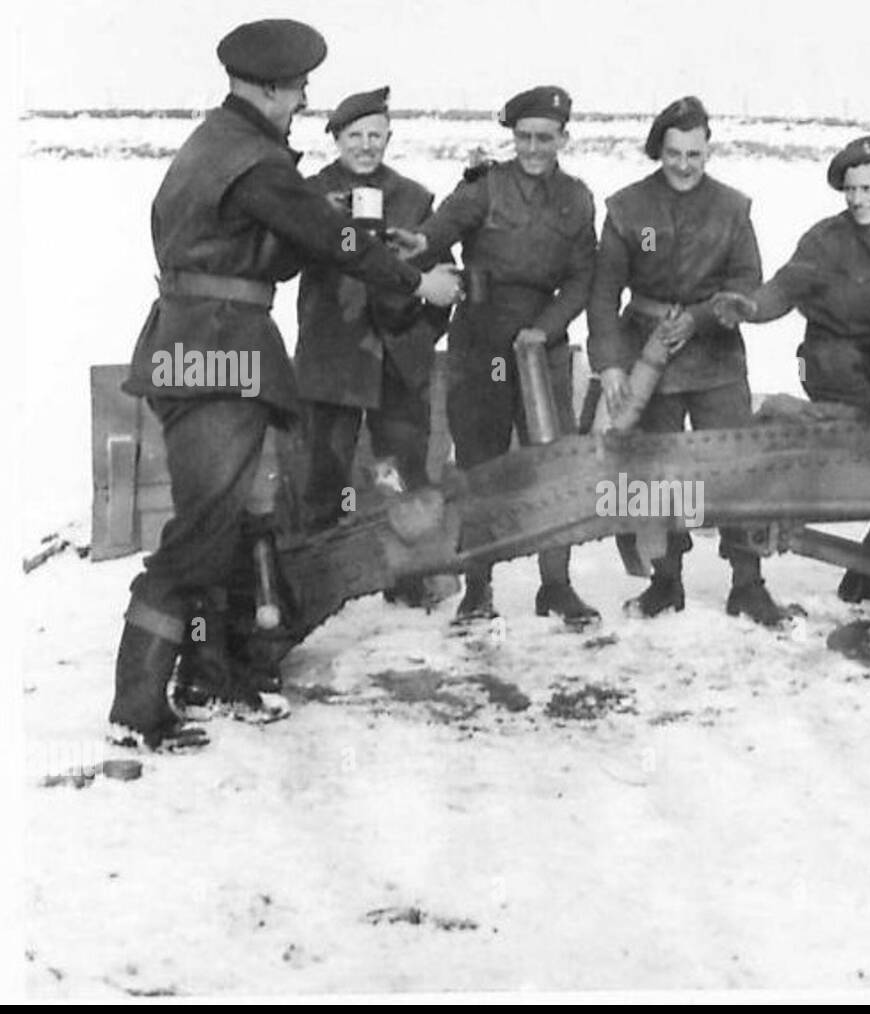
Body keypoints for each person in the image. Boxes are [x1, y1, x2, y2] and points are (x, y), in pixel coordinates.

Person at [109, 19, 462, 750]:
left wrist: (328, 230)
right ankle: (137, 707)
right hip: (218, 348)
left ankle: (210, 672)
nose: (304, 99)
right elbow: (324, 240)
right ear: (269, 87)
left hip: (196, 338)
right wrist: (416, 278)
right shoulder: (256, 161)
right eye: (299, 87)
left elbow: (264, 242)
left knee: (232, 521)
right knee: (200, 533)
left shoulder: (216, 145)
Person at [712, 134, 870, 614]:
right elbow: (785, 287)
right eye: (851, 190)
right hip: (838, 367)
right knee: (868, 442)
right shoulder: (825, 239)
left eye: (869, 189)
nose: (859, 200)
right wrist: (751, 308)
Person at [588, 95, 792, 627]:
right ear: (661, 150)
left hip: (716, 356)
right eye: (674, 153)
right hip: (646, 358)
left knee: (734, 466)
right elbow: (603, 295)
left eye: (695, 154)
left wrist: (704, 317)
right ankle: (665, 581)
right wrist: (611, 363)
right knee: (656, 472)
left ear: (708, 151)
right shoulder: (627, 208)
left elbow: (747, 280)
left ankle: (747, 582)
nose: (684, 165)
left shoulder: (733, 207)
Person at [408, 85, 600, 626]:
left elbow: (584, 276)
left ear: (564, 138)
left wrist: (545, 330)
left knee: (553, 465)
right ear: (512, 138)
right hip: (481, 345)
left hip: (542, 349)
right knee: (479, 466)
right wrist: (420, 251)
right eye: (524, 137)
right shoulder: (484, 187)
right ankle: (477, 588)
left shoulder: (578, 199)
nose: (534, 148)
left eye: (545, 137)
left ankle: (556, 586)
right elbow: (438, 230)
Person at [293, 86, 453, 607]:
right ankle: (318, 586)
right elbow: (286, 261)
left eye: (376, 136)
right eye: (355, 136)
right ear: (337, 139)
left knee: (400, 472)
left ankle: (408, 579)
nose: (366, 146)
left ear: (389, 138)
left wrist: (421, 337)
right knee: (325, 475)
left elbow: (442, 279)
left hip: (397, 362)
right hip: (333, 358)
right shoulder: (309, 195)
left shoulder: (413, 197)